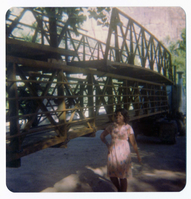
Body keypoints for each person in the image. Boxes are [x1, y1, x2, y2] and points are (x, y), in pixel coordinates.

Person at [100, 108, 141, 192]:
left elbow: (133, 142)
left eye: (120, 115)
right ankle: (119, 190)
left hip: (124, 153)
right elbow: (102, 136)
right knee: (112, 175)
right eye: (116, 115)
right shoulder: (112, 126)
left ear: (124, 117)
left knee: (122, 176)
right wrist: (107, 145)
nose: (117, 117)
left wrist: (138, 154)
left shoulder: (128, 127)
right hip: (113, 152)